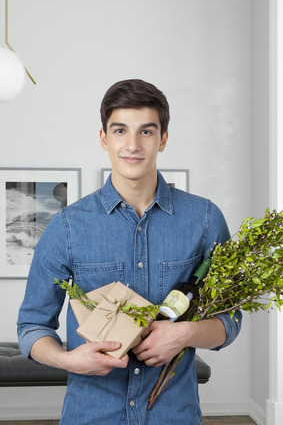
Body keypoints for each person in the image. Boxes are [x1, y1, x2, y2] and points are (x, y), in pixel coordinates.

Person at [18, 79, 242, 425]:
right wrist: (69, 360)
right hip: (91, 414)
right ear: (104, 138)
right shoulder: (66, 226)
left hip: (173, 415)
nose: (132, 145)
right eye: (120, 130)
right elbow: (32, 325)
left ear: (163, 139)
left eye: (146, 132)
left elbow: (231, 318)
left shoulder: (205, 219)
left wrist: (185, 334)